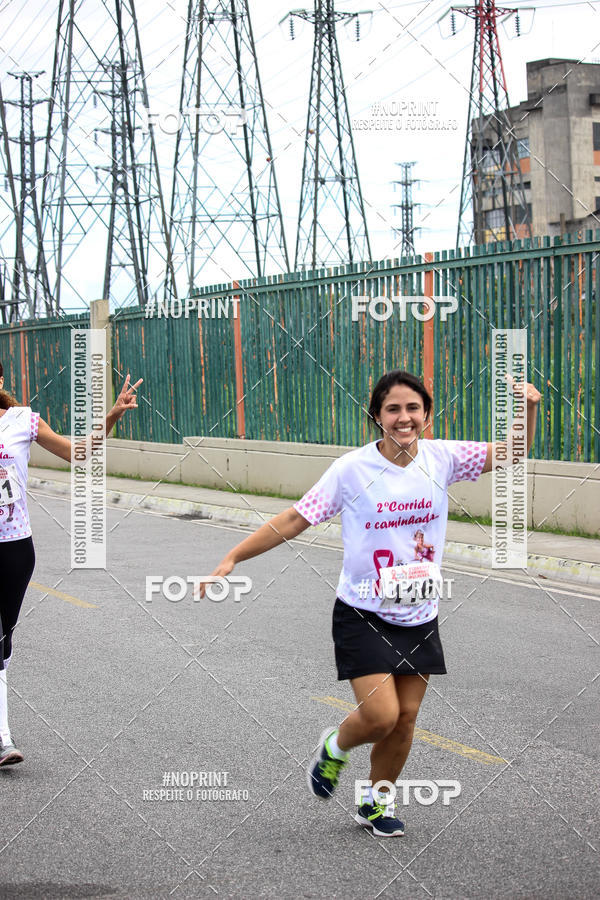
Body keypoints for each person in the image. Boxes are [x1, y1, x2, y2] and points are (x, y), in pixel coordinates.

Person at [200, 369, 540, 836]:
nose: (404, 418)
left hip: (419, 610)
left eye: (413, 408)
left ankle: (374, 805)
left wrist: (528, 409)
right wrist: (234, 555)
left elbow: (513, 453)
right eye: (393, 409)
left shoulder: (443, 458)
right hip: (363, 611)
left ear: (426, 413)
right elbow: (297, 518)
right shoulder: (351, 470)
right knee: (380, 717)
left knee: (404, 722)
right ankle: (335, 749)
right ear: (376, 417)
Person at [0, 362, 142, 766]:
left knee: (4, 643)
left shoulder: (22, 421)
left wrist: (111, 417)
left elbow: (77, 452)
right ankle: (3, 739)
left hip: (14, 548)